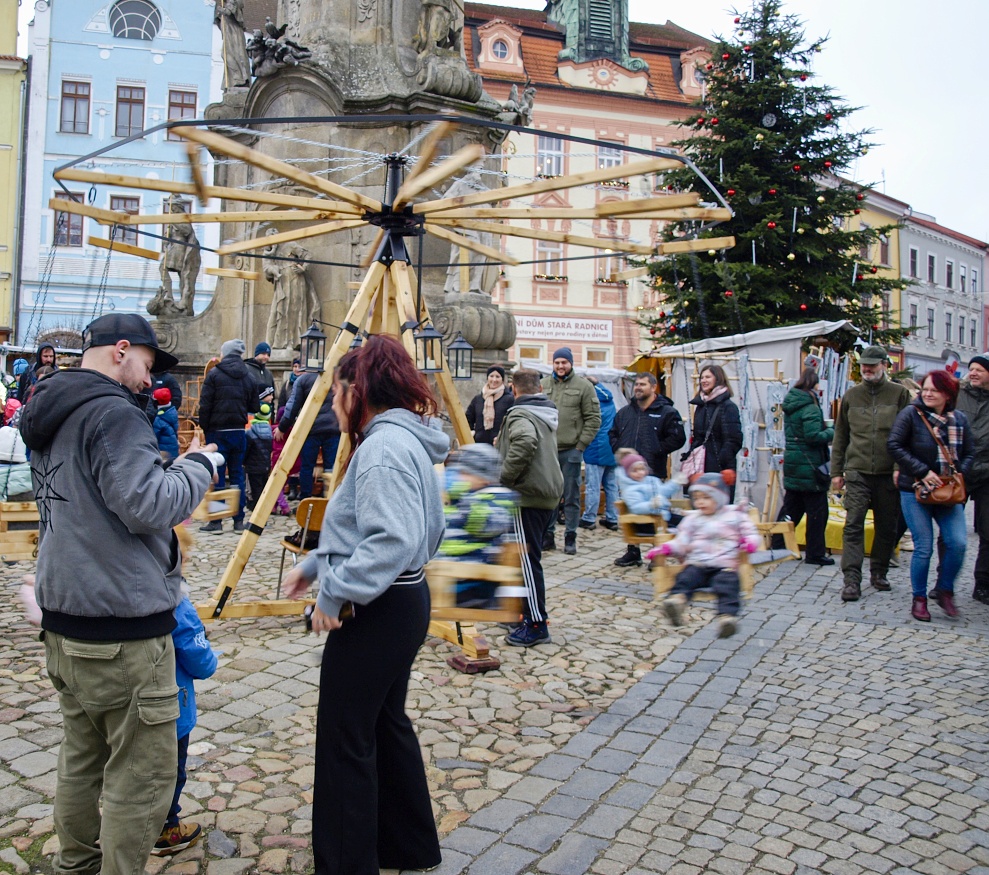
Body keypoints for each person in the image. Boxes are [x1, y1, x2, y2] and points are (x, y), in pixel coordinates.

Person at [18, 313, 220, 875]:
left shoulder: (50, 407)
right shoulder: (113, 412)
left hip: (66, 620)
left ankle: (76, 865)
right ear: (121, 350)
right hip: (122, 629)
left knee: (81, 761)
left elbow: (101, 498)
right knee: (142, 775)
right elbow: (148, 506)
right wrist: (198, 467)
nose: (149, 380)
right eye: (148, 365)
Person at [280, 336, 446, 875]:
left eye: (336, 393)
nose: (332, 404)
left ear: (359, 391)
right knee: (383, 723)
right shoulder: (400, 439)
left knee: (345, 736)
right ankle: (407, 847)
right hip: (400, 601)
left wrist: (335, 592)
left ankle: (347, 864)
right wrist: (316, 565)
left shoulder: (382, 449)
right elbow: (378, 528)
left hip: (380, 609)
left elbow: (391, 540)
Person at [888, 371, 973, 622]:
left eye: (934, 390)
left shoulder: (959, 419)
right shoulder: (911, 415)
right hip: (915, 489)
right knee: (923, 547)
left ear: (948, 393)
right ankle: (919, 599)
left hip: (947, 492)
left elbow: (970, 452)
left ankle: (944, 590)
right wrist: (923, 471)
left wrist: (958, 474)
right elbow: (894, 445)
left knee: (958, 543)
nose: (927, 394)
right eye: (925, 389)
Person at [830, 345, 911, 602]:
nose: (867, 369)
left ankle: (879, 571)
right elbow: (841, 435)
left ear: (884, 365)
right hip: (857, 471)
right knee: (853, 524)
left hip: (888, 473)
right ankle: (851, 580)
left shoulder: (900, 394)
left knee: (887, 526)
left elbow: (907, 435)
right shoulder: (851, 396)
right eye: (864, 364)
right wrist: (836, 471)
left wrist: (899, 468)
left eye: (872, 365)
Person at [646, 473, 761, 639]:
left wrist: (749, 542)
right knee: (686, 578)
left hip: (724, 564)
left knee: (728, 585)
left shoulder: (736, 516)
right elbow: (682, 541)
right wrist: (665, 548)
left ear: (720, 497)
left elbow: (750, 532)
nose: (700, 502)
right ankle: (677, 601)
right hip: (698, 563)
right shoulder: (692, 519)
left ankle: (727, 618)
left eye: (706, 498)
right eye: (697, 498)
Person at [497, 368, 565, 647]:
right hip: (545, 493)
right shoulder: (544, 411)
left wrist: (504, 477)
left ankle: (536, 624)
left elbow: (525, 442)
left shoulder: (520, 414)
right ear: (540, 388)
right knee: (518, 557)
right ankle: (520, 613)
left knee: (526, 560)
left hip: (527, 496)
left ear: (513, 389)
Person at [152, 588, 218, 855]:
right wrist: (211, 659)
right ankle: (166, 829)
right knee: (171, 772)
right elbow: (200, 659)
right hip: (171, 708)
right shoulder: (175, 601)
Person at [610, 371, 686, 565]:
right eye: (636, 384)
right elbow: (613, 433)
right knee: (631, 512)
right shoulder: (625, 412)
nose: (638, 388)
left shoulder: (667, 412)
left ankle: (656, 553)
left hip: (653, 471)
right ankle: (633, 551)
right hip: (628, 475)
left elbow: (678, 437)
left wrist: (657, 449)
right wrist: (619, 449)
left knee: (655, 512)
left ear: (653, 387)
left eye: (642, 384)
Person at [440, 443, 520, 610]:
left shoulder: (497, 499)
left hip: (473, 579)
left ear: (484, 477)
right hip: (450, 572)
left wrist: (463, 500)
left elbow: (485, 525)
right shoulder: (466, 497)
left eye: (465, 473)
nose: (459, 478)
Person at [541, 348, 600, 555]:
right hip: (548, 451)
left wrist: (580, 446)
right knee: (548, 495)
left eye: (564, 362)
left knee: (571, 496)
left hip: (571, 450)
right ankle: (548, 535)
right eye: (557, 362)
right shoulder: (543, 384)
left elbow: (593, 419)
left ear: (571, 364)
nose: (560, 366)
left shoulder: (583, 386)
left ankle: (570, 536)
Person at [198, 339, 259, 533]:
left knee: (217, 475)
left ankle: (216, 521)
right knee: (237, 475)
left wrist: (205, 428)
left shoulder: (214, 375)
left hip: (217, 432)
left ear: (224, 354)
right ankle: (238, 520)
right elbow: (255, 406)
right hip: (238, 431)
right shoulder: (249, 376)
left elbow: (205, 405)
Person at [780, 368, 835, 566]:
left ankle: (777, 545)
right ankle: (815, 553)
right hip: (810, 466)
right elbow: (813, 437)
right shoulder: (810, 407)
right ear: (814, 384)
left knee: (792, 508)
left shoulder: (791, 404)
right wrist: (832, 431)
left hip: (794, 463)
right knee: (818, 512)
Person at [275, 369, 341, 499]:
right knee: (331, 467)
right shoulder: (336, 376)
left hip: (311, 429)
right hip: (333, 428)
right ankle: (330, 498)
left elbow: (292, 406)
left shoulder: (303, 380)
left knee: (307, 466)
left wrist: (282, 427)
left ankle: (305, 498)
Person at [955, 354, 989, 604]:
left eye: (980, 369)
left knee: (988, 533)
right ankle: (944, 582)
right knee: (950, 530)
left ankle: (983, 584)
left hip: (987, 471)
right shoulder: (957, 394)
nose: (974, 373)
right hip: (959, 470)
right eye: (972, 369)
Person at [684, 363, 743, 500]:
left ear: (718, 378)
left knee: (718, 503)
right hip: (700, 464)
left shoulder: (728, 407)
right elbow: (697, 437)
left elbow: (733, 439)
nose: (703, 380)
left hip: (720, 466)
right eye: (702, 377)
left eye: (708, 377)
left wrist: (721, 462)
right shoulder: (700, 406)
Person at [580, 378, 619, 532]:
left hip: (595, 447)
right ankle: (612, 518)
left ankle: (589, 518)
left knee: (593, 486)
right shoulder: (609, 400)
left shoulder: (592, 402)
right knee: (611, 486)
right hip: (611, 448)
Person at [615, 451, 680, 525]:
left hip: (662, 515)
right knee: (684, 527)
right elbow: (636, 508)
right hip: (646, 521)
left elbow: (663, 491)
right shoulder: (630, 489)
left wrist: (674, 483)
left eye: (642, 469)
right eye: (634, 471)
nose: (640, 473)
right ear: (627, 473)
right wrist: (651, 505)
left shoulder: (652, 480)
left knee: (687, 522)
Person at [465, 364, 514, 444]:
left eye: (497, 377)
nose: (494, 380)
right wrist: (472, 433)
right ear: (487, 378)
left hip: (499, 444)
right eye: (491, 376)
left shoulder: (509, 399)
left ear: (502, 379)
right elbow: (468, 418)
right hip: (479, 443)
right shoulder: (478, 399)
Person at [244, 401, 274, 511]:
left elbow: (246, 450)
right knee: (263, 488)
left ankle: (256, 510)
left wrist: (244, 461)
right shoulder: (270, 432)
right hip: (265, 465)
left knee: (254, 490)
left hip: (252, 466)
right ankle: (264, 509)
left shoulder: (250, 432)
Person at [152, 387, 180, 460]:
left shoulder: (159, 418)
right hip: (173, 450)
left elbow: (153, 437)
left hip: (163, 452)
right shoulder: (172, 412)